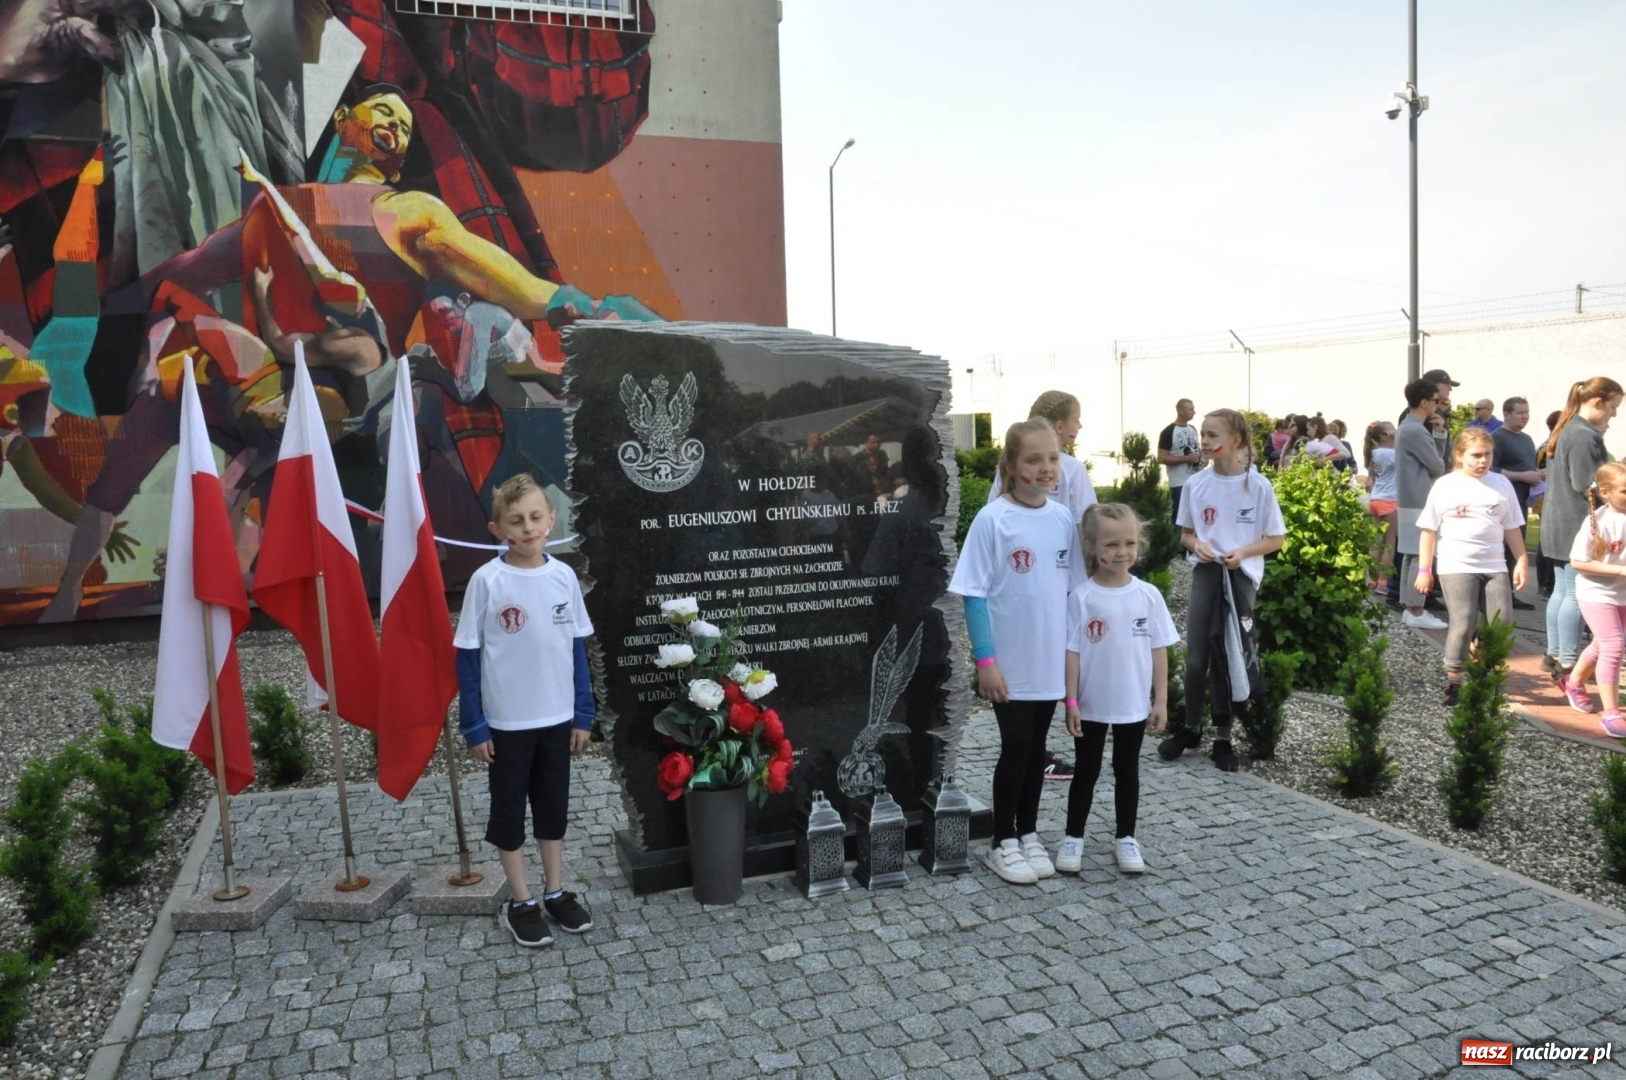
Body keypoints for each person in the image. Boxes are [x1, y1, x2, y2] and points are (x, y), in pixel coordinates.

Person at [455, 474, 596, 946]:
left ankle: (555, 891)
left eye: (537, 517)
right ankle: (522, 900)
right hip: (508, 724)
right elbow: (468, 655)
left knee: (553, 808)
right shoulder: (487, 581)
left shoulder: (564, 577)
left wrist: (582, 712)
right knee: (510, 811)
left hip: (556, 719)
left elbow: (576, 649)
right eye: (516, 520)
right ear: (499, 530)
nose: (529, 527)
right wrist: (474, 725)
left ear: (551, 520)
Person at [950, 419, 1083, 884]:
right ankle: (1001, 841)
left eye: (1053, 458)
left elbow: (1071, 595)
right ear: (1010, 465)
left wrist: (1074, 664)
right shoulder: (994, 520)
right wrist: (985, 662)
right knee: (1016, 748)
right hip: (1009, 664)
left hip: (1049, 663)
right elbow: (973, 594)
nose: (1047, 468)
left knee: (1037, 752)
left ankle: (1027, 833)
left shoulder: (1063, 518)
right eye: (1034, 460)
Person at [1159, 409, 1285, 772]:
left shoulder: (1257, 485)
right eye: (1204, 436)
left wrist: (1243, 552)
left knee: (1227, 653)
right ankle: (1191, 728)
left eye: (1214, 435)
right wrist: (1194, 545)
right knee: (1197, 654)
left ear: (1237, 441)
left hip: (1240, 577)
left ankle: (1222, 737)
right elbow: (1185, 533)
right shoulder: (1197, 484)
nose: (1206, 442)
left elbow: (1275, 539)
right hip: (1207, 573)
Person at [1056, 504, 1179, 876]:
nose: (1122, 552)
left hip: (1132, 706)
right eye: (1112, 544)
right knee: (1086, 771)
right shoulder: (1082, 597)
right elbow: (1073, 652)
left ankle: (1126, 837)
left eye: (1130, 542)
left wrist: (1161, 700)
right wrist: (1071, 701)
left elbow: (1159, 651)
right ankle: (1073, 836)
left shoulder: (1148, 596)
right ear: (1092, 546)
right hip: (1091, 705)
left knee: (1127, 771)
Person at [1414, 428, 1528, 705]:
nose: (1482, 461)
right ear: (1460, 455)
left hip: (1494, 564)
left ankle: (1482, 664)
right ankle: (1455, 679)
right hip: (1456, 564)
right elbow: (1428, 530)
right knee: (1464, 621)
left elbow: (1512, 526)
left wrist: (1522, 559)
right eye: (1476, 455)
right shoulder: (1445, 485)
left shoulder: (1501, 484)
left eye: (1487, 455)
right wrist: (1424, 570)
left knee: (1501, 623)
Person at [1541, 377, 1623, 685]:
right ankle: (1568, 661)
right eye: (1613, 407)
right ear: (1597, 402)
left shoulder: (1571, 427)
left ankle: (1555, 653)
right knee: (1574, 594)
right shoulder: (1581, 435)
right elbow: (1587, 484)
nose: (1614, 415)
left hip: (1561, 522)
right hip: (1577, 524)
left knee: (1562, 591)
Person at [1564, 463, 1626, 738]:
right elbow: (1578, 561)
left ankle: (1574, 682)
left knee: (1603, 644)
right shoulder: (1597, 522)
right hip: (1596, 594)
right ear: (1605, 492)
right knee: (1614, 646)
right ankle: (1611, 713)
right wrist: (1619, 570)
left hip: (1622, 593)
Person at [1396, 378, 1449, 628]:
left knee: (1411, 554)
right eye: (1437, 400)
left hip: (1409, 498)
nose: (1439, 405)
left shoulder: (1408, 427)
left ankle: (1411, 607)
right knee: (1420, 555)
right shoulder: (1415, 430)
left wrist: (1438, 433)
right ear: (1425, 402)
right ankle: (1416, 610)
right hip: (1419, 498)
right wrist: (1439, 435)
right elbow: (1437, 465)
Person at [1491, 397, 1542, 609]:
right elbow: (1491, 469)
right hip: (1503, 501)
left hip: (1522, 501)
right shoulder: (1497, 438)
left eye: (1527, 412)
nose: (1525, 416)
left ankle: (1509, 593)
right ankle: (1497, 594)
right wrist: (1522, 476)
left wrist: (1538, 475)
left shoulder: (1527, 439)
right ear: (1506, 414)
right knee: (1502, 547)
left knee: (1515, 546)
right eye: (1520, 412)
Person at [1363, 421, 1399, 593]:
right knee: (1390, 543)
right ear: (1384, 435)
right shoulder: (1390, 453)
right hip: (1389, 500)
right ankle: (1383, 584)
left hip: (1375, 498)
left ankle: (1372, 581)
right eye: (1391, 429)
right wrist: (1398, 438)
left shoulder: (1375, 452)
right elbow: (1404, 459)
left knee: (1378, 543)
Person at [1157, 399, 1202, 522]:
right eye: (1191, 409)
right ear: (1181, 411)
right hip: (1179, 482)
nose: (1194, 412)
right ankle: (1177, 540)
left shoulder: (1192, 429)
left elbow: (1197, 448)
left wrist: (1203, 459)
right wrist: (1186, 459)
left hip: (1197, 479)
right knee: (1180, 515)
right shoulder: (1168, 432)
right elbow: (1161, 457)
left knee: (1197, 514)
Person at [1534, 409, 1563, 598]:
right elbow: (1544, 474)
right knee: (1546, 542)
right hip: (1547, 499)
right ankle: (1544, 583)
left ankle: (1549, 583)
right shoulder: (1548, 447)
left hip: (1554, 499)